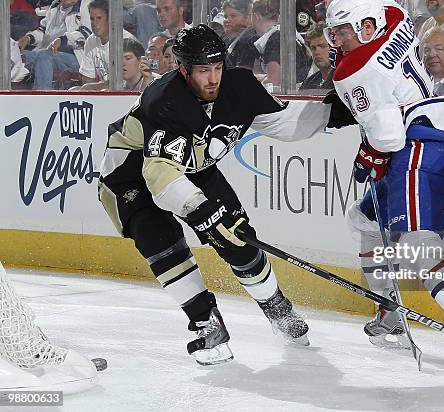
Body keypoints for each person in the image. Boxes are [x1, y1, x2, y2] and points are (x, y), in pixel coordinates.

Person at [98, 24, 345, 365]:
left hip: (194, 167)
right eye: (203, 71)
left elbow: (283, 123)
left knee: (239, 239)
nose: (213, 78)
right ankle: (205, 322)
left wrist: (334, 114)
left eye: (217, 68)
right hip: (130, 176)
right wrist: (201, 212)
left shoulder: (238, 85)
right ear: (183, 70)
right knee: (162, 242)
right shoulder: (164, 100)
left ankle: (277, 308)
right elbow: (159, 175)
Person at [323, 0, 444, 370]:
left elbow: (389, 136)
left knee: (414, 240)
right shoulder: (394, 16)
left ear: (367, 26)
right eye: (334, 32)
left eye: (344, 31)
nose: (337, 41)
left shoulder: (354, 71)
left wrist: (369, 156)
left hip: (417, 143)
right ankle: (389, 312)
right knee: (363, 219)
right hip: (429, 134)